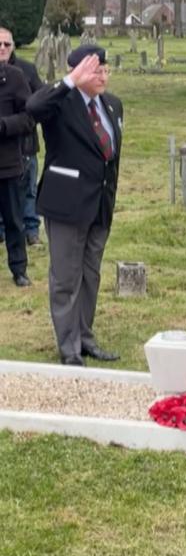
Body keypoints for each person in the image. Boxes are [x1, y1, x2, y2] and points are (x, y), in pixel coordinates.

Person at [27, 45, 122, 366]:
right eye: (95, 70)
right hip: (66, 205)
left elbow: (109, 157)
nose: (102, 75)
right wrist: (68, 81)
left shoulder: (112, 105)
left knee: (90, 275)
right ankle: (68, 347)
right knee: (66, 278)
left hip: (99, 206)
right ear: (77, 71)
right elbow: (33, 107)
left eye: (104, 69)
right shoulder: (60, 102)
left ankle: (84, 336)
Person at [0, 27, 43, 245]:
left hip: (24, 144)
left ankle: (32, 229)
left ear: (13, 46)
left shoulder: (26, 70)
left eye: (7, 44)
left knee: (27, 190)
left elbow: (39, 104)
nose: (2, 49)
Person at [0, 58, 34, 286]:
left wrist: (4, 125)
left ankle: (19, 268)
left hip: (7, 163)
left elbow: (29, 117)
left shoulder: (14, 77)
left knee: (14, 218)